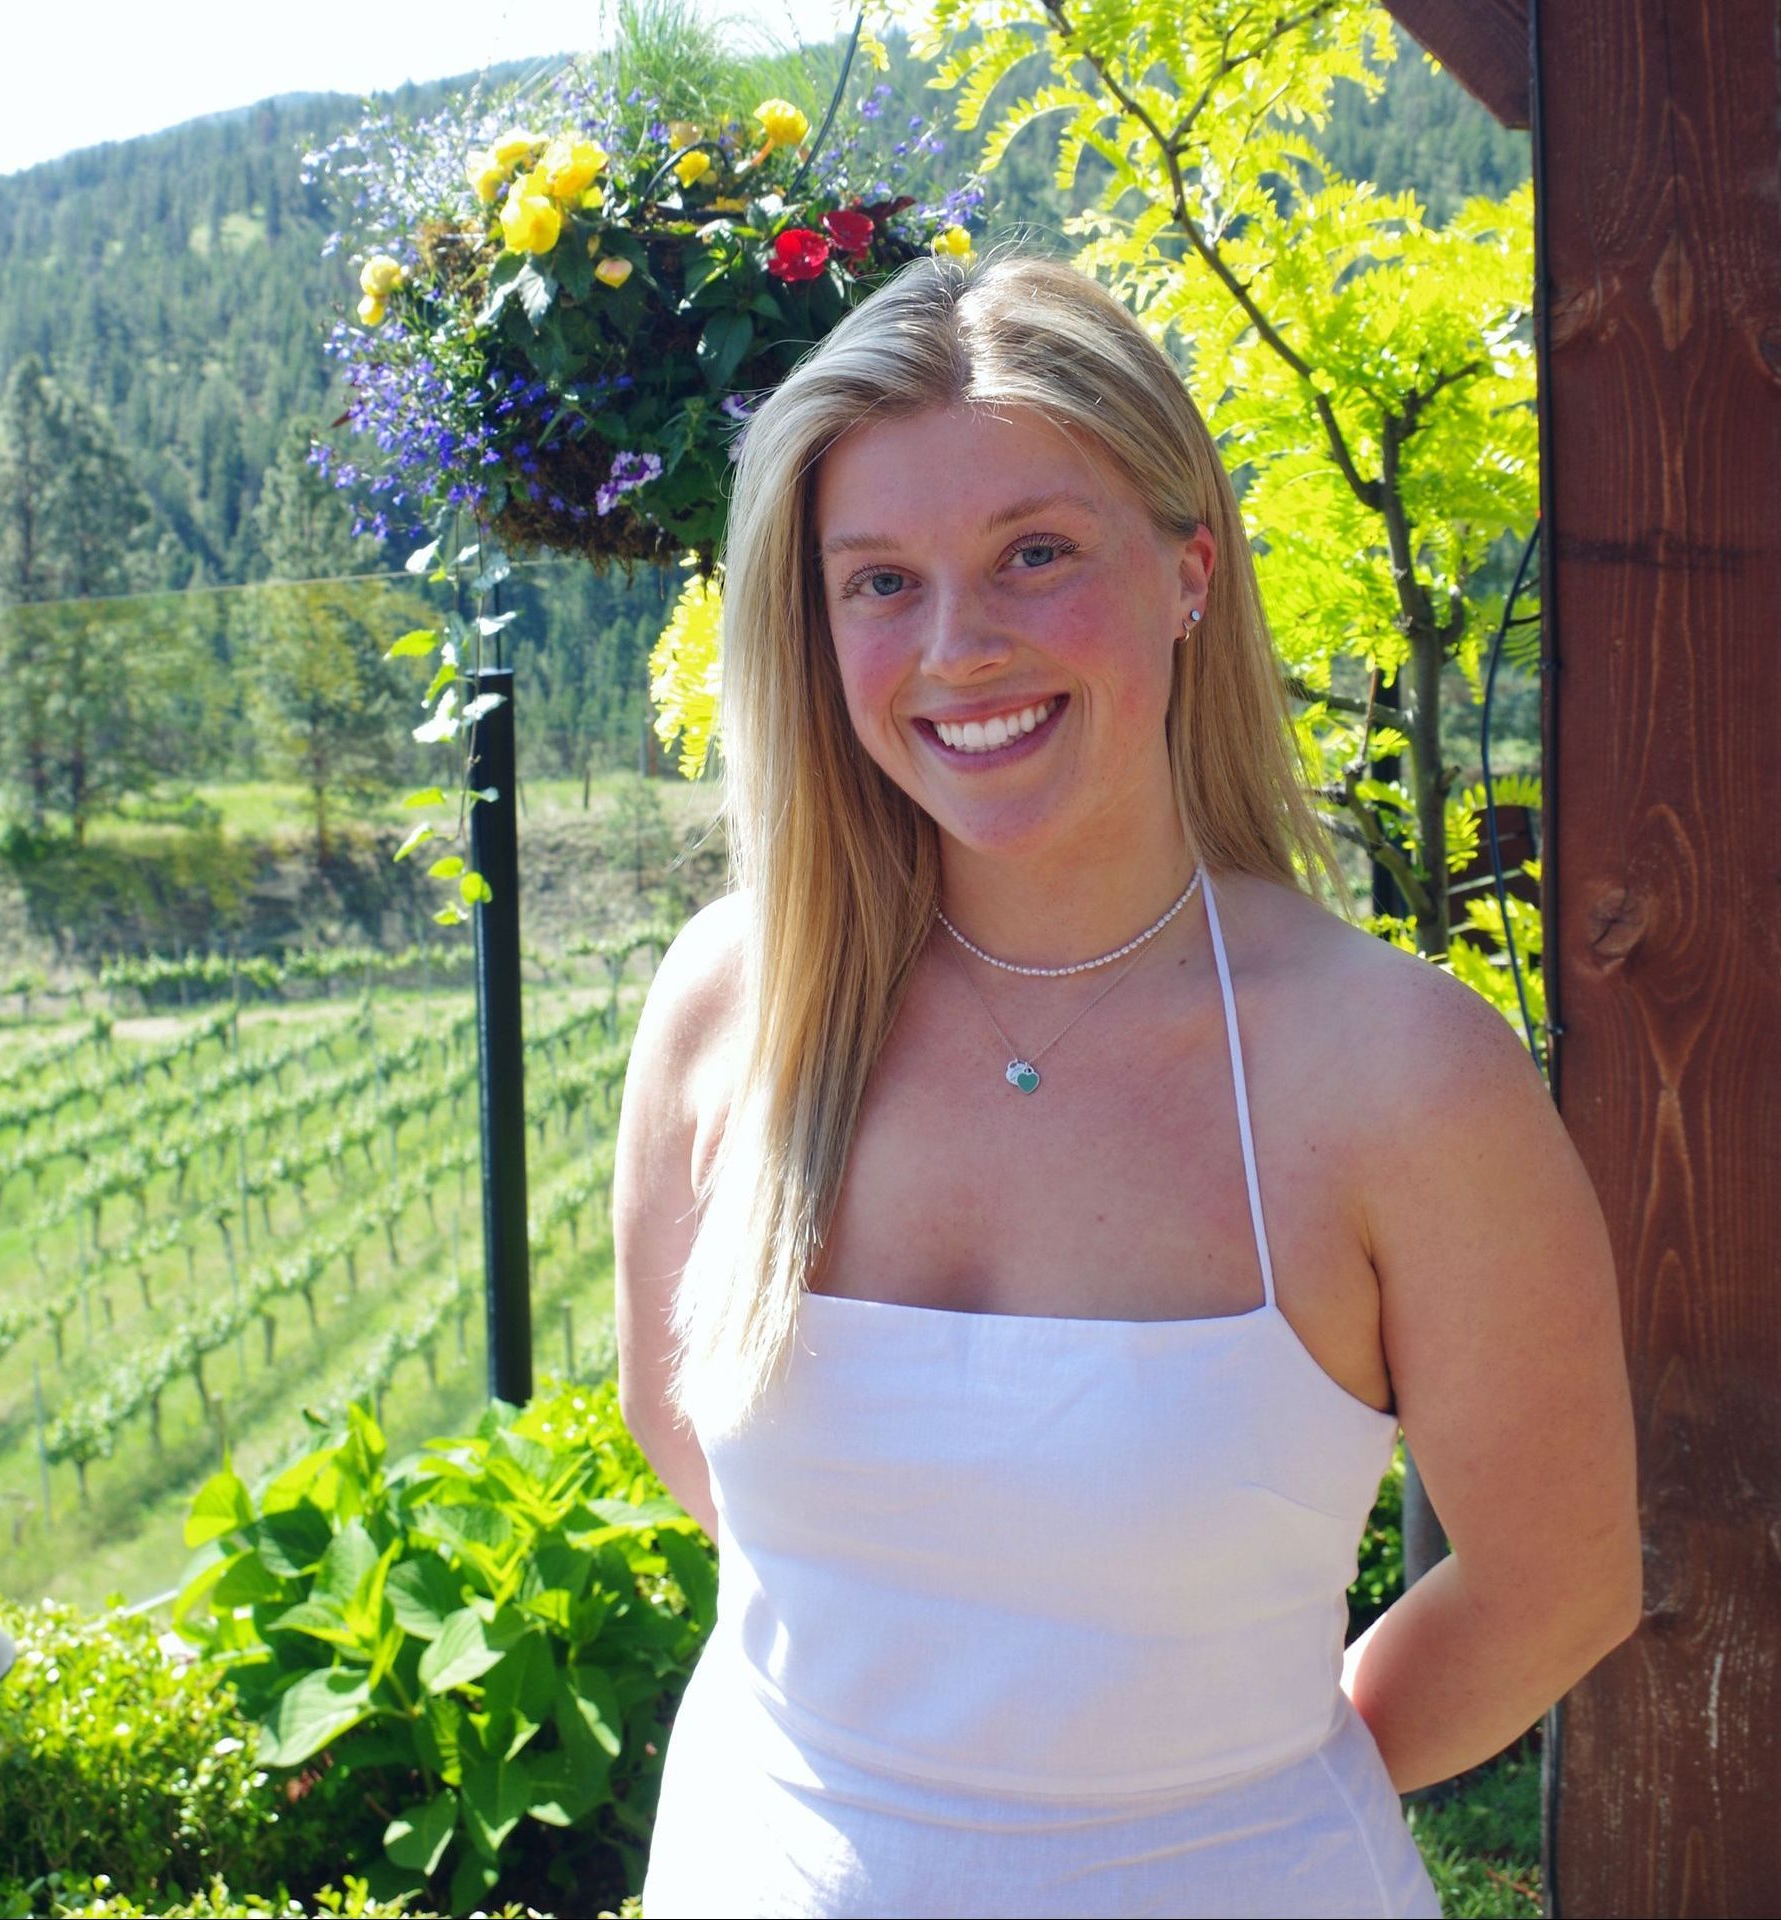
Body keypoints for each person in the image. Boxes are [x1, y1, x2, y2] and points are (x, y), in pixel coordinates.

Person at [613, 246, 1641, 1919]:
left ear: (1189, 570)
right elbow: (687, 1430)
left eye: (1036, 553)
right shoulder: (733, 999)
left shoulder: (1396, 1072)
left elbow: (1557, 1578)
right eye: (879, 581)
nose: (959, 647)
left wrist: (1206, 1800)